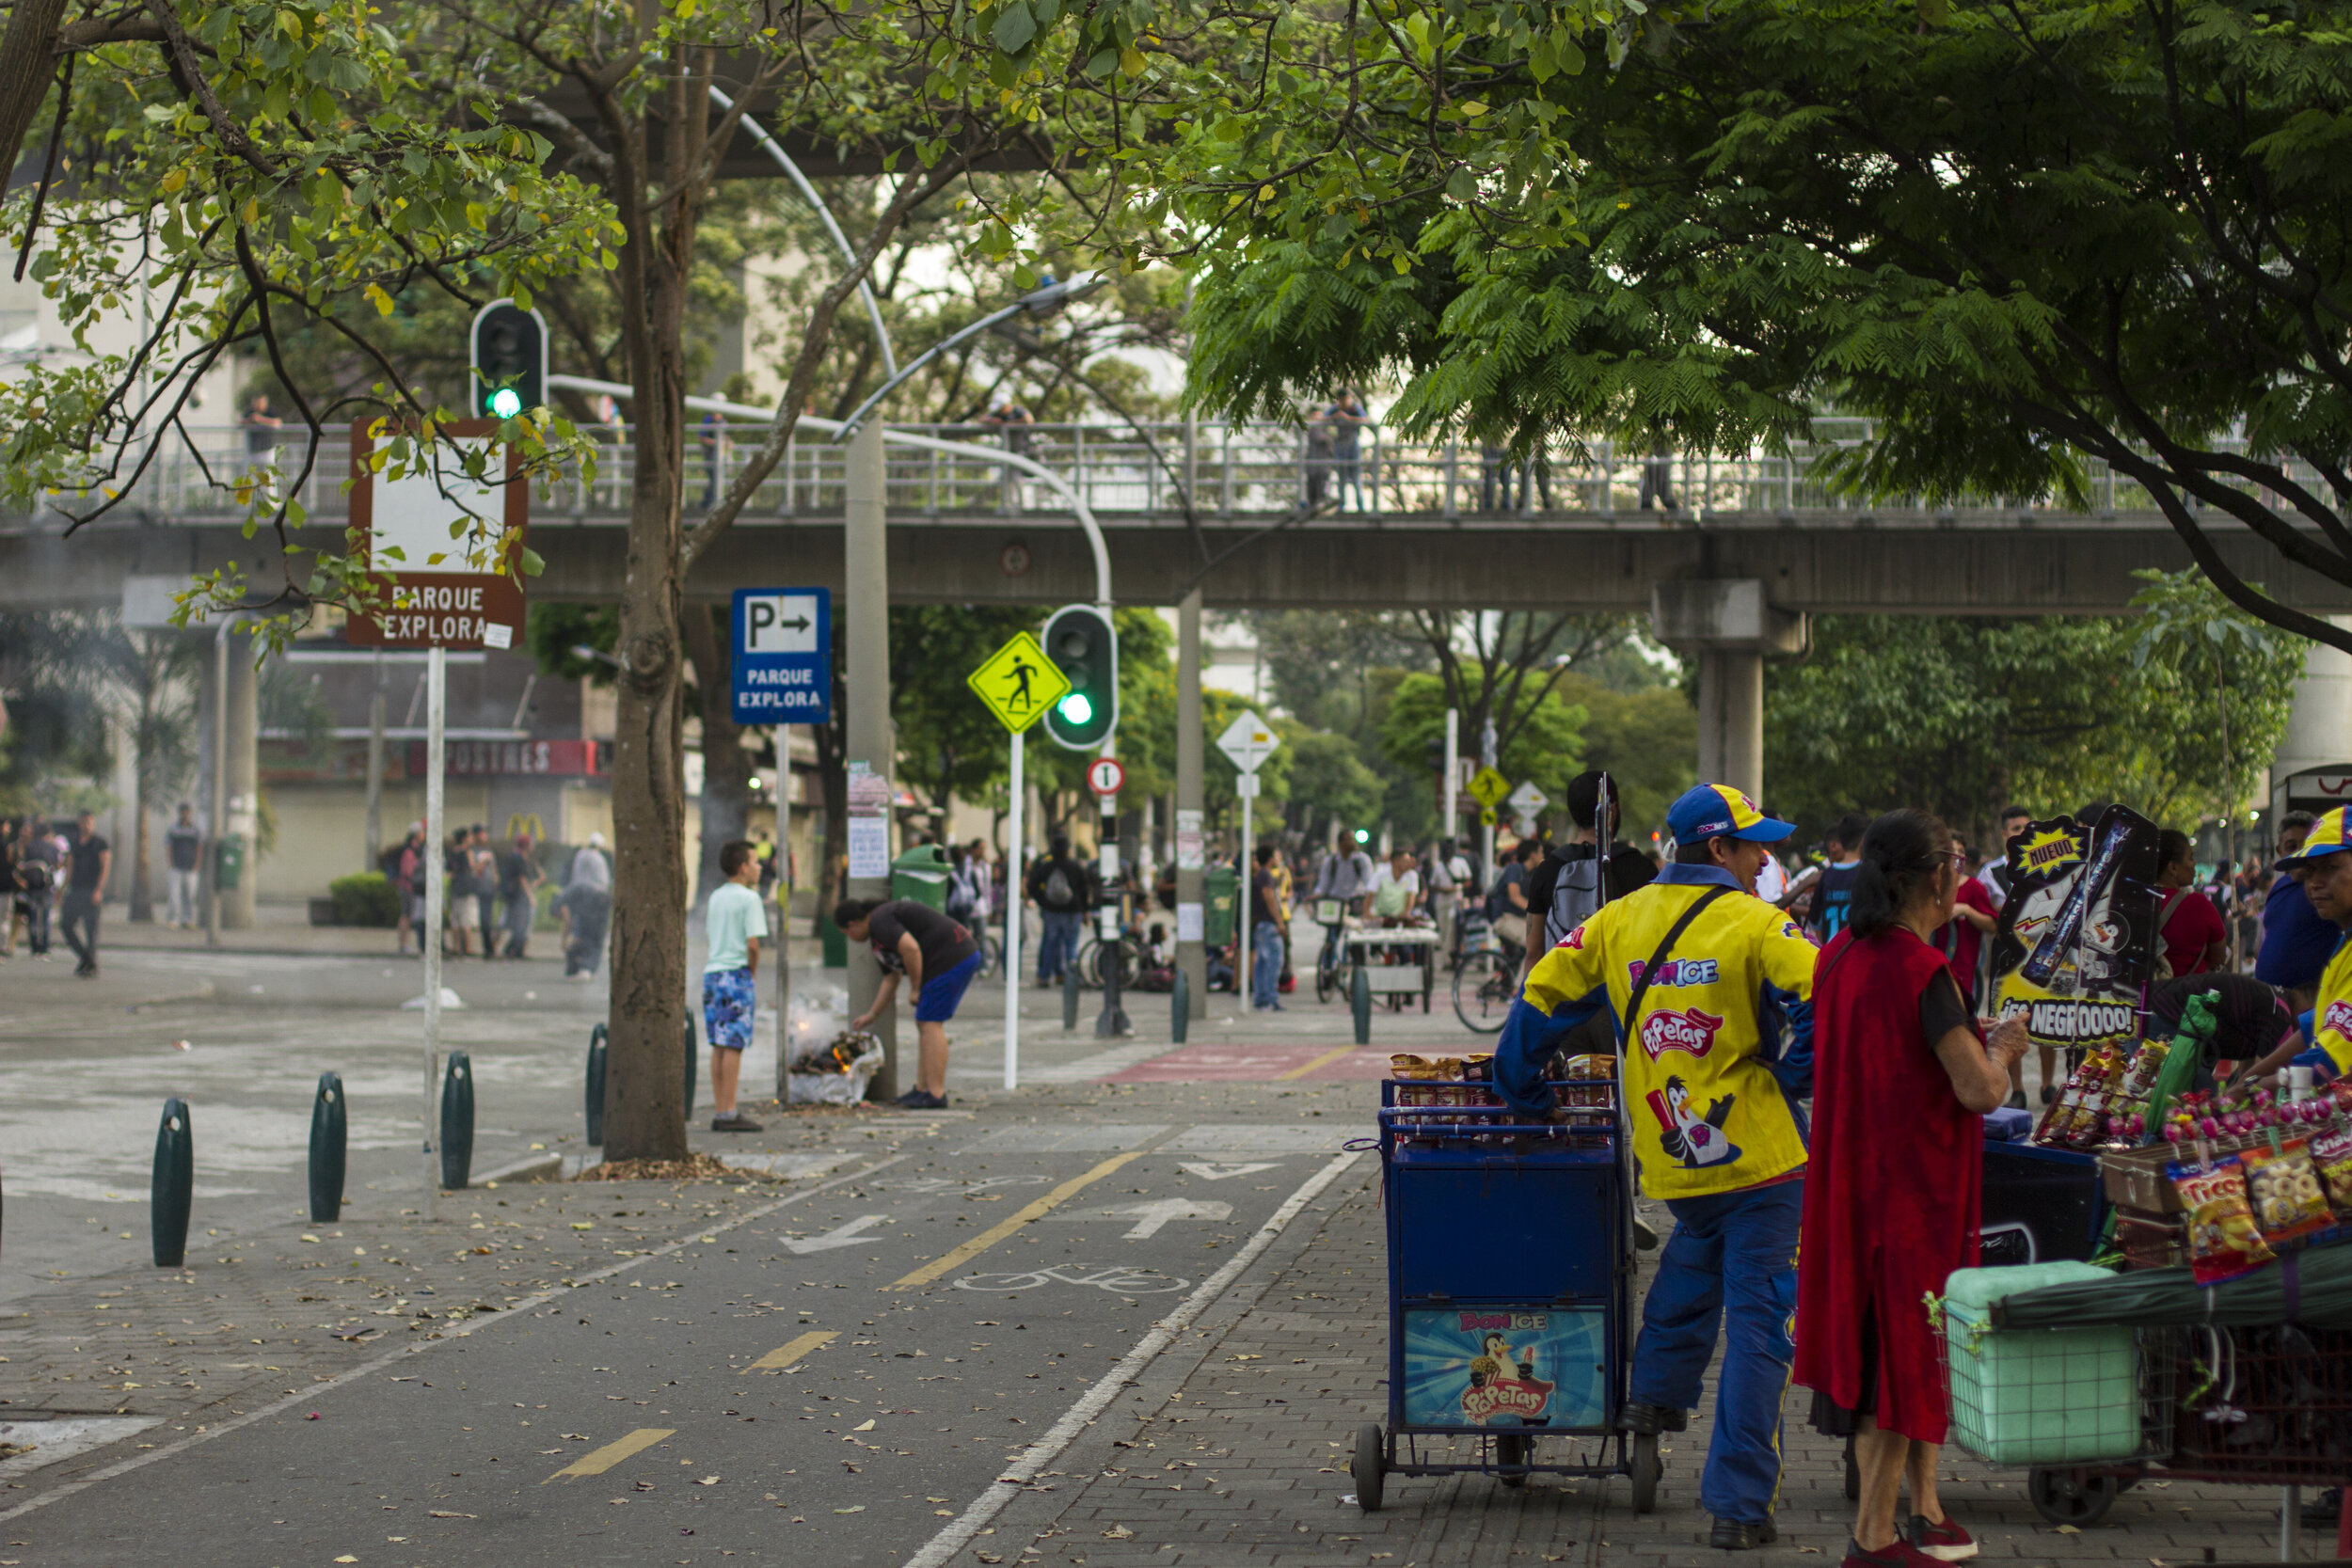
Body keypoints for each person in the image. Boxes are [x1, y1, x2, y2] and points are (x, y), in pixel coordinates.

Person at [1495, 784, 1819, 1551]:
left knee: (1695, 1255)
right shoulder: (1758, 921)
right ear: (1718, 849)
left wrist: (1525, 1090)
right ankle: (1739, 1503)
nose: (1764, 856)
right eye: (1753, 844)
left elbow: (1537, 1000)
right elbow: (1823, 994)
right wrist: (1794, 1074)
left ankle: (1654, 1396)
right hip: (1766, 1164)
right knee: (1762, 1328)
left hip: (1675, 1166)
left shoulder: (1615, 921)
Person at [1796, 808, 2032, 1568]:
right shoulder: (1922, 970)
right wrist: (2000, 1050)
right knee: (1899, 1359)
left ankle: (1904, 1521)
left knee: (1877, 1362)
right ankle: (1874, 1537)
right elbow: (1977, 1091)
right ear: (1938, 877)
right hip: (1907, 1201)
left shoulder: (1836, 955)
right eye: (1956, 862)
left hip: (1847, 1188)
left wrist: (1965, 1028)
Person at [836, 895, 982, 1110]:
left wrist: (915, 988)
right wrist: (872, 1014)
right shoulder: (878, 938)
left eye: (847, 933)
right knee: (924, 1022)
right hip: (953, 956)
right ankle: (922, 1089)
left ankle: (935, 1093)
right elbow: (891, 978)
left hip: (952, 956)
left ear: (852, 924)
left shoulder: (880, 920)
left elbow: (911, 948)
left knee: (931, 1023)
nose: (850, 938)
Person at [1521, 769, 1657, 980]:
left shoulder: (1548, 869)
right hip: (1623, 998)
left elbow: (1533, 953)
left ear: (1572, 812)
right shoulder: (1641, 867)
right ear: (1611, 810)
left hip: (1565, 999)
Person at [701, 840, 768, 1132]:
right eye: (754, 862)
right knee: (734, 1044)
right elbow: (753, 945)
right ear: (743, 868)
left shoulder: (716, 896)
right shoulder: (749, 899)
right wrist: (751, 974)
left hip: (712, 974)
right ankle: (729, 1112)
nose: (759, 867)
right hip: (735, 974)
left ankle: (720, 1108)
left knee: (718, 1043)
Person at [2258, 811, 2334, 1008]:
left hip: (2311, 1006)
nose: (2301, 851)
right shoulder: (2278, 887)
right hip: (2273, 1002)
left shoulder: (2329, 890)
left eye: (2307, 843)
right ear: (2279, 850)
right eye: (2292, 846)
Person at [2155, 828, 2228, 978]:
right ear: (2173, 867)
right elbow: (2219, 959)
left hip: (2142, 996)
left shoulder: (2135, 901)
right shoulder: (2199, 905)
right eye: (2190, 857)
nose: (2194, 864)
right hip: (2189, 997)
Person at [1026, 834, 1090, 988]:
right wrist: (1084, 909)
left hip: (1051, 910)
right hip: (1072, 910)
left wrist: (1043, 901)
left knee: (1050, 943)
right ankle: (1070, 976)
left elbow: (1032, 885)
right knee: (1071, 945)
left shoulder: (1046, 866)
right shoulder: (1075, 866)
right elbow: (1084, 889)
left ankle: (1044, 976)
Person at [58, 810, 108, 978]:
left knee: (91, 930)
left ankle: (90, 965)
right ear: (79, 823)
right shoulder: (74, 843)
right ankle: (86, 959)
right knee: (66, 925)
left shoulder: (100, 843)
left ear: (93, 823)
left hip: (91, 890)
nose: (86, 825)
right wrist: (62, 888)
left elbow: (105, 868)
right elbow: (69, 867)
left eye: (89, 822)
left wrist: (99, 890)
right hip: (76, 890)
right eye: (83, 821)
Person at [1806, 813, 1869, 944]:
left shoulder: (1825, 876)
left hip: (1831, 955)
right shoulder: (1867, 874)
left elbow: (1816, 923)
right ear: (1864, 841)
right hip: (1855, 955)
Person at [562, 832, 612, 979]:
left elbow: (575, 877)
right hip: (597, 898)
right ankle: (589, 967)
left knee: (582, 932)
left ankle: (577, 967)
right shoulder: (599, 859)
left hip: (580, 896)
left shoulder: (580, 856)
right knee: (596, 935)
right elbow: (604, 881)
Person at [1249, 844, 1287, 1011]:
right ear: (1271, 858)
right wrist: (1279, 922)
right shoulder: (1265, 876)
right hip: (1268, 924)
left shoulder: (1262, 875)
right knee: (1273, 962)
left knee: (1262, 963)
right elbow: (1269, 898)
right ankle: (1270, 998)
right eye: (1277, 856)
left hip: (1261, 924)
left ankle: (1261, 998)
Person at [1486, 837, 1541, 953]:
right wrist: (1538, 910)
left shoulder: (1530, 874)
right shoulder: (1515, 869)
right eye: (1540, 852)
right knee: (1535, 945)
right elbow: (1514, 897)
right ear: (1533, 855)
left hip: (1517, 918)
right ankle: (1525, 972)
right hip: (1504, 919)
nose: (1542, 855)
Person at [12, 817, 56, 958]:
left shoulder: (30, 847)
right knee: (45, 917)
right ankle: (44, 945)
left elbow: (25, 864)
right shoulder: (52, 847)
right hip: (47, 887)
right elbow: (56, 865)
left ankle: (34, 946)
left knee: (33, 916)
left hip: (32, 887)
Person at [499, 832, 543, 958]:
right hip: (517, 896)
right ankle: (514, 950)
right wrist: (531, 897)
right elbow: (522, 879)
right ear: (526, 845)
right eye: (531, 843)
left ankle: (513, 949)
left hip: (519, 896)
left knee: (521, 925)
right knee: (520, 924)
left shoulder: (523, 857)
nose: (533, 846)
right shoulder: (518, 858)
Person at [1428, 836, 1473, 957]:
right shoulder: (1438, 866)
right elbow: (1432, 885)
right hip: (1442, 900)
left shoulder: (1461, 863)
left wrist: (1458, 888)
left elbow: (1469, 881)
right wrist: (1443, 890)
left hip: (1456, 899)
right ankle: (1445, 953)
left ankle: (1451, 953)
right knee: (1443, 928)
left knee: (1452, 927)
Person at [1327, 389, 1370, 513]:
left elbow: (1365, 420)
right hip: (1340, 444)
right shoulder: (1335, 409)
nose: (1343, 401)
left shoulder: (1355, 408)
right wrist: (1334, 417)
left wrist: (1349, 418)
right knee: (1341, 477)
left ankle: (1360, 505)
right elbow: (1322, 418)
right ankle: (1341, 505)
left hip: (1353, 444)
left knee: (1356, 477)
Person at [165, 804, 203, 930]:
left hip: (191, 868)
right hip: (176, 867)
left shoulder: (195, 830)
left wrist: (197, 863)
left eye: (187, 812)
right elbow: (168, 847)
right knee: (174, 896)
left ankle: (188, 919)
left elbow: (199, 847)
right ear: (180, 813)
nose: (185, 814)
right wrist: (170, 863)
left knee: (190, 896)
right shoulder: (173, 829)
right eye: (183, 812)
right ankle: (173, 920)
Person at [468, 825, 499, 957]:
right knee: (482, 920)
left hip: (489, 888)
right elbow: (473, 870)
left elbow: (494, 869)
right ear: (475, 835)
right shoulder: (472, 851)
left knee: (489, 919)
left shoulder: (488, 850)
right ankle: (487, 947)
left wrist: (496, 880)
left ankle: (490, 946)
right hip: (478, 888)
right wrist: (483, 862)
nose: (484, 836)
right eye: (482, 834)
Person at [444, 828, 475, 957]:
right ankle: (467, 948)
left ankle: (456, 947)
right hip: (465, 888)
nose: (471, 839)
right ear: (464, 838)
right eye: (469, 836)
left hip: (455, 887)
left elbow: (449, 871)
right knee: (465, 919)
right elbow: (472, 867)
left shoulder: (452, 852)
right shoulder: (467, 852)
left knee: (455, 919)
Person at [1369, 845, 1422, 920]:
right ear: (1396, 861)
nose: (1408, 863)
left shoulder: (1412, 875)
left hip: (1399, 917)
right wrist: (1367, 914)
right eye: (1406, 861)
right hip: (1380, 916)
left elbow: (1411, 896)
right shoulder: (1380, 873)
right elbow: (1370, 894)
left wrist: (1406, 913)